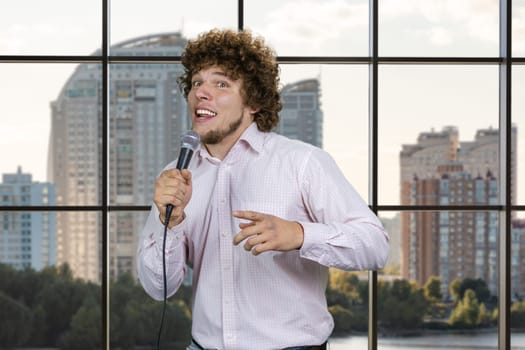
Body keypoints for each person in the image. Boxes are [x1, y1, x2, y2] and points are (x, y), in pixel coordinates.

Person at [137, 28, 390, 350]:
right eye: (197, 82)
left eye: (221, 83)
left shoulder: (303, 162)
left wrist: (300, 235)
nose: (202, 92)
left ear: (254, 101)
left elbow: (375, 246)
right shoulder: (175, 177)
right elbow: (158, 287)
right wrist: (168, 223)